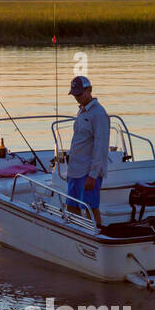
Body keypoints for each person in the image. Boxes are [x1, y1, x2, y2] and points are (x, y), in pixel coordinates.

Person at [66, 75, 109, 227]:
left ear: (89, 90)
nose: (77, 97)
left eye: (80, 94)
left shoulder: (99, 113)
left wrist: (93, 174)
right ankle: (76, 232)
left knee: (90, 207)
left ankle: (96, 234)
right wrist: (69, 171)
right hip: (75, 170)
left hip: (88, 172)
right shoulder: (82, 111)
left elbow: (100, 146)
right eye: (75, 94)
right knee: (71, 206)